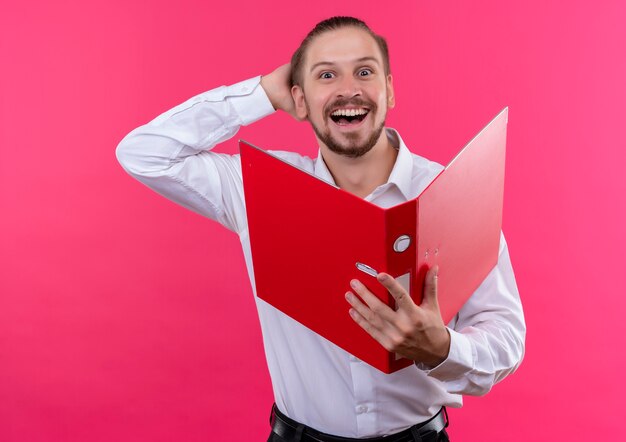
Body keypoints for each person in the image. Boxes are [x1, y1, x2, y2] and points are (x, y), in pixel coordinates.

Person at [116, 16, 525, 442]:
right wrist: (262, 94)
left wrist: (443, 348)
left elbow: (506, 336)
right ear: (300, 99)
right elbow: (145, 154)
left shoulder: (454, 194)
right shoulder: (259, 189)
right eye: (326, 75)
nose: (349, 89)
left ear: (389, 90)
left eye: (364, 71)